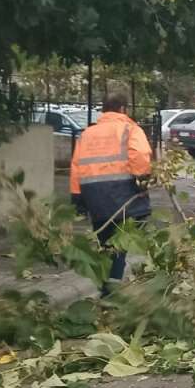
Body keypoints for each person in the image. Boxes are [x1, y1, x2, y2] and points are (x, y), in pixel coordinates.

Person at [69, 93, 153, 296]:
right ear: (123, 109)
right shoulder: (130, 129)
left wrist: (77, 198)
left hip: (94, 197)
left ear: (104, 111)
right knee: (119, 246)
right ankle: (110, 292)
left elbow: (76, 166)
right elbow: (140, 156)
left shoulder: (87, 134)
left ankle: (105, 286)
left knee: (105, 244)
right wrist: (143, 182)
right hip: (122, 193)